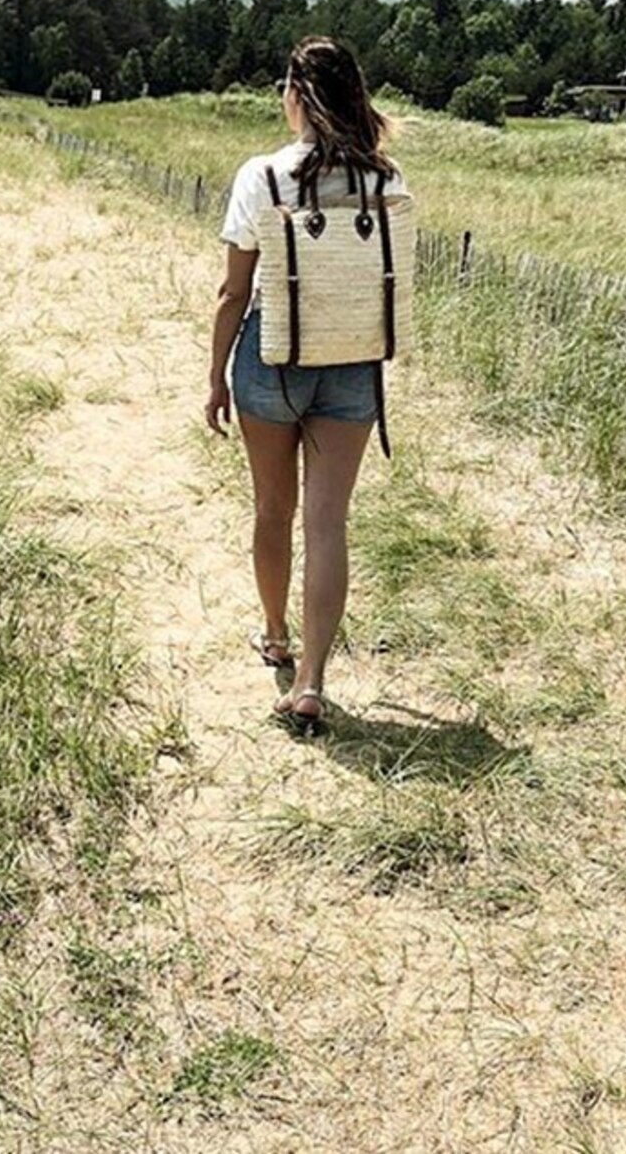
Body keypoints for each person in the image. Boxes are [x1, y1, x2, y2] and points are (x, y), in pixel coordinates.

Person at [205, 36, 408, 733]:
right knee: (329, 523)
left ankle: (275, 635)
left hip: (273, 357)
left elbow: (235, 294)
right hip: (353, 363)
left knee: (272, 510)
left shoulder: (261, 177)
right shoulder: (386, 178)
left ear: (295, 95)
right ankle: (315, 680)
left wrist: (214, 379)